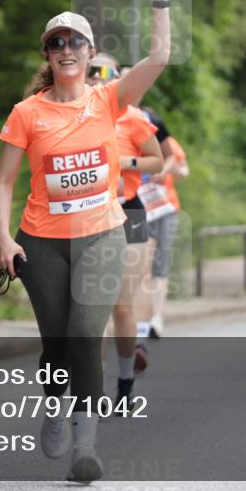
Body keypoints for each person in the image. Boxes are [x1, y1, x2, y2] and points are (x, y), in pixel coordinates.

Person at [0, 0, 171, 482]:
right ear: (47, 55)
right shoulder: (28, 113)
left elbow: (159, 58)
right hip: (41, 240)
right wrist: (5, 239)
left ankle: (84, 446)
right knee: (57, 341)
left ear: (89, 51)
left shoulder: (109, 99)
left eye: (74, 41)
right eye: (55, 43)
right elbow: (3, 182)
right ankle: (52, 401)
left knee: (85, 332)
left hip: (102, 234)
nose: (65, 49)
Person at [86, 54, 163, 413]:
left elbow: (157, 161)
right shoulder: (73, 117)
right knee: (93, 309)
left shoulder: (133, 118)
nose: (99, 81)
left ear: (118, 79)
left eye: (107, 75)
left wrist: (125, 163)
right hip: (87, 218)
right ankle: (95, 389)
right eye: (93, 74)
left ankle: (126, 381)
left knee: (120, 305)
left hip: (128, 213)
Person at [136, 128, 188, 339]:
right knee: (142, 266)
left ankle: (157, 317)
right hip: (139, 210)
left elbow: (184, 171)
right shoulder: (129, 139)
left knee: (160, 262)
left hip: (166, 209)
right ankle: (143, 318)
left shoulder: (167, 142)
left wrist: (168, 171)